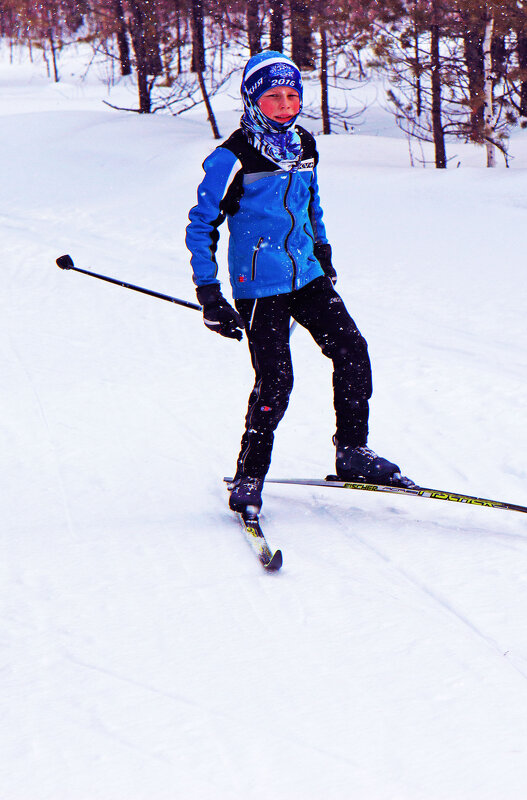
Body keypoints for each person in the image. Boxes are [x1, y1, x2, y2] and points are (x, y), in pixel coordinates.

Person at [186, 51, 411, 515]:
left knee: (352, 351)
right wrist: (209, 293)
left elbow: (312, 204)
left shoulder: (303, 143)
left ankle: (353, 452)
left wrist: (322, 252)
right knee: (276, 382)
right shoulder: (231, 158)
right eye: (273, 96)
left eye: (293, 95)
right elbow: (201, 225)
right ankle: (249, 475)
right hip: (257, 284)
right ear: (253, 99)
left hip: (307, 275)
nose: (285, 105)